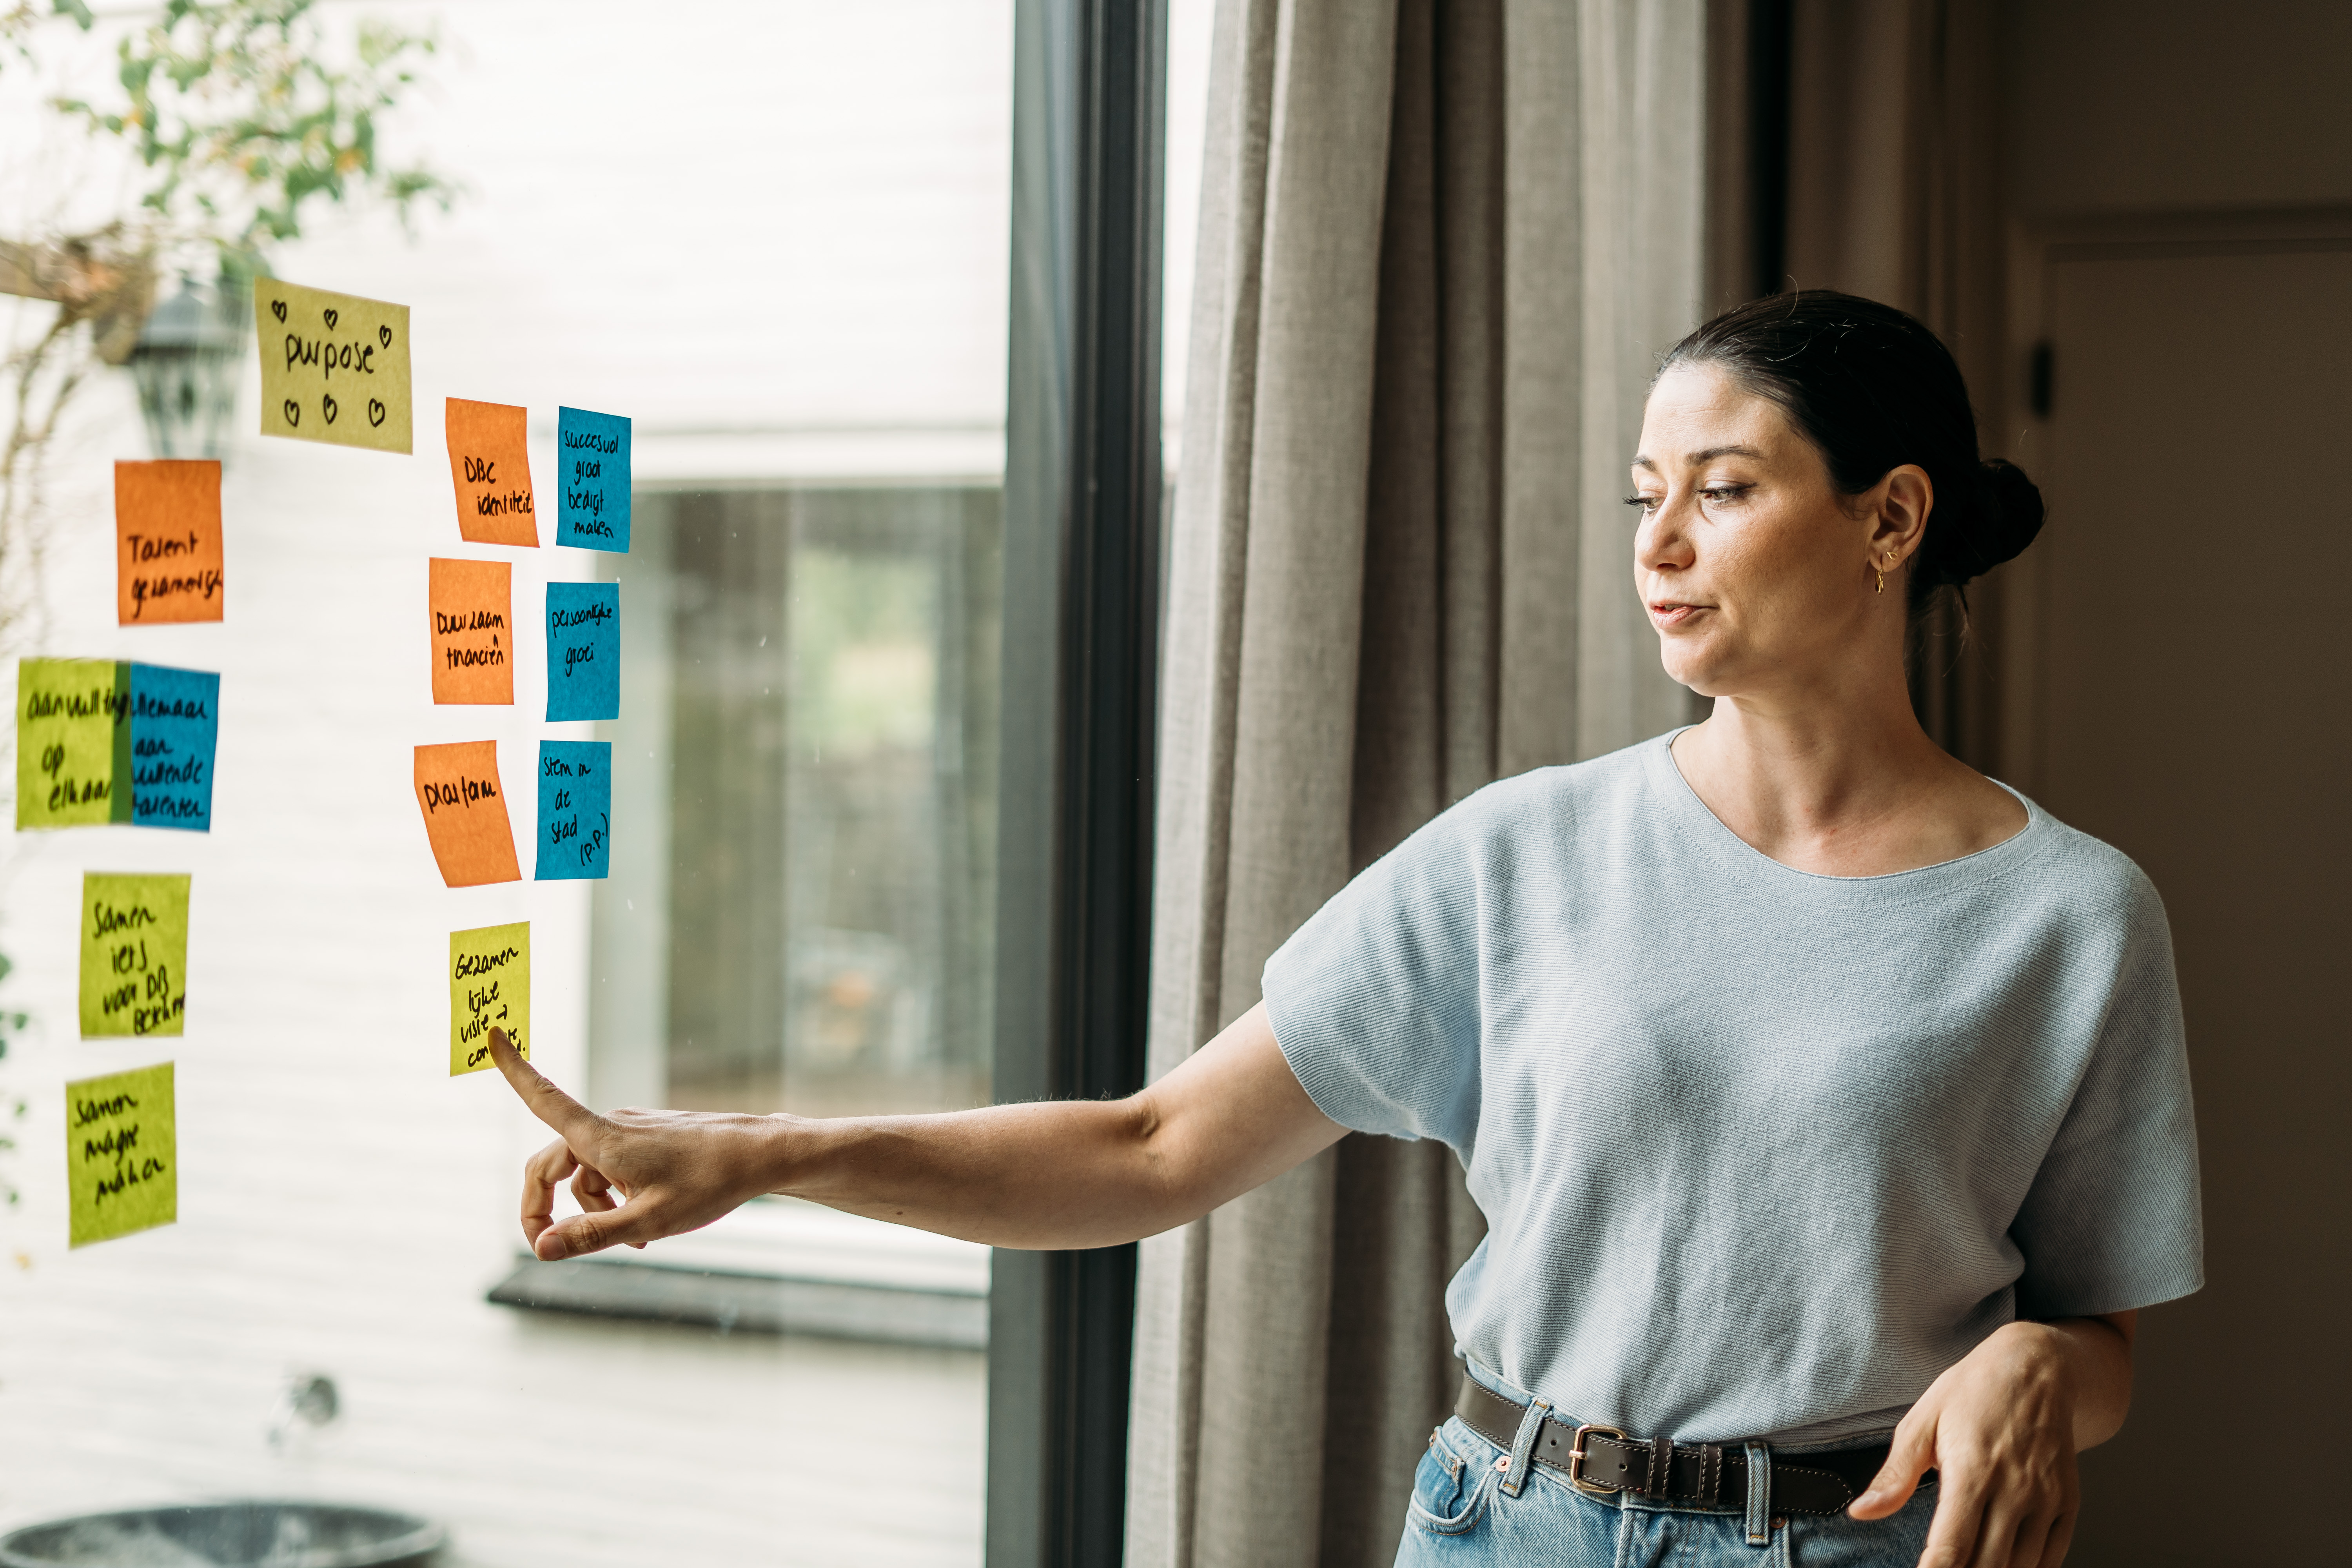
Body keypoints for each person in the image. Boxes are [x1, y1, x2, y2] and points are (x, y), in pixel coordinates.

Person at [488, 290, 2201, 1568]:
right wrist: (762, 1154)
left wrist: (2046, 1353)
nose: (1660, 545)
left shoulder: (2066, 915)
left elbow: (2103, 1341)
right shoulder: (1525, 853)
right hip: (1508, 1528)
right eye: (1642, 494)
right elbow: (1155, 1146)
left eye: (1726, 491)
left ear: (1890, 518)